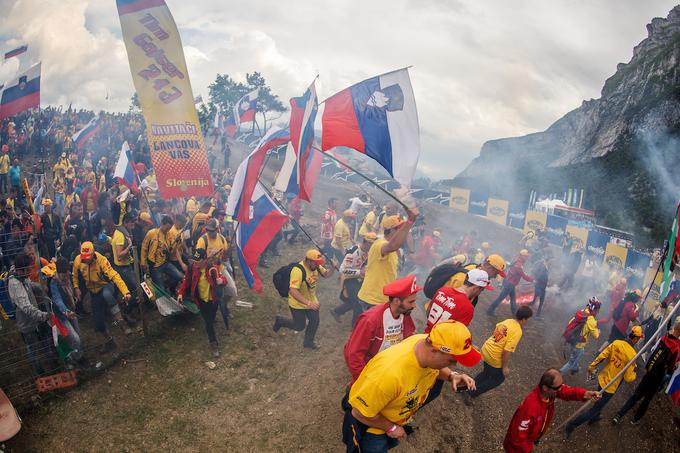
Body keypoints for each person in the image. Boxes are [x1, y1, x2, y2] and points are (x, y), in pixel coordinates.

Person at [343, 320, 478, 452]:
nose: (453, 365)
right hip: (372, 426)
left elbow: (435, 369)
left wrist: (452, 376)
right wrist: (391, 428)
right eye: (452, 361)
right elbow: (359, 412)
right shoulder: (388, 374)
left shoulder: (426, 342)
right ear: (434, 351)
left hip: (395, 414)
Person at [565, 326, 643, 436]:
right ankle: (572, 425)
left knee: (598, 401)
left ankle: (595, 418)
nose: (639, 340)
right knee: (595, 408)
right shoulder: (632, 355)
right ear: (636, 339)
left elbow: (602, 355)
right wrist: (634, 374)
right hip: (610, 387)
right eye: (639, 338)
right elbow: (628, 377)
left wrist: (592, 366)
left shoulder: (617, 343)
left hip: (603, 379)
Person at [343, 275, 419, 384]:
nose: (414, 305)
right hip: (371, 369)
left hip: (388, 367)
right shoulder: (371, 320)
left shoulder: (405, 315)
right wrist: (363, 381)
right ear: (397, 301)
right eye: (411, 302)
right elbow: (354, 354)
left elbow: (408, 338)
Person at [503, 369, 600, 453]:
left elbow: (566, 391)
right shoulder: (529, 408)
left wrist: (585, 394)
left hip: (530, 440)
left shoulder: (549, 393)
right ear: (545, 388)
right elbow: (517, 439)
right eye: (558, 387)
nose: (561, 388)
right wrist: (528, 449)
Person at [613, 320, 680, 425]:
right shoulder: (676, 347)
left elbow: (653, 350)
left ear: (675, 328)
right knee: (647, 400)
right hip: (658, 377)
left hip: (650, 371)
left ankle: (619, 415)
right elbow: (671, 369)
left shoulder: (664, 338)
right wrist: (675, 366)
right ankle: (635, 419)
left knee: (637, 394)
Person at [465, 305, 533, 404]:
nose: (527, 322)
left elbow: (496, 331)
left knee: (487, 373)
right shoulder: (518, 331)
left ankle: (467, 386)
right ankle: (471, 393)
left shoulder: (508, 321)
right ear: (523, 319)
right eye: (528, 319)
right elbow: (506, 351)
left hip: (486, 349)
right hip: (493, 356)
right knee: (498, 379)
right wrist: (504, 367)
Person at [72, 241, 132, 352]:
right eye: (84, 257)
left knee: (107, 295)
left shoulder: (101, 260)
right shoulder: (77, 260)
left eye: (88, 257)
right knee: (98, 323)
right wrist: (76, 288)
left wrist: (125, 292)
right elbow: (74, 275)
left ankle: (121, 321)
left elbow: (114, 276)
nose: (86, 260)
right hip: (92, 292)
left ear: (93, 253)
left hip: (105, 286)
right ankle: (109, 341)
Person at [8, 253, 59, 375]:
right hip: (27, 322)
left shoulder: (22, 276)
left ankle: (53, 365)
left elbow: (29, 284)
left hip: (36, 318)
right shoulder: (15, 284)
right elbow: (26, 307)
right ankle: (39, 372)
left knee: (45, 340)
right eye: (28, 269)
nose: (30, 271)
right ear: (21, 270)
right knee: (33, 348)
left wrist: (40, 287)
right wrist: (44, 315)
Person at [272, 250, 334, 349]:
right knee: (299, 326)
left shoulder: (316, 266)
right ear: (309, 261)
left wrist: (332, 267)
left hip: (311, 300)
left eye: (319, 263)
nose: (318, 265)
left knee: (315, 321)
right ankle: (280, 320)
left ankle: (308, 342)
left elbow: (326, 274)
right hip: (297, 303)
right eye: (316, 263)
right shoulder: (298, 271)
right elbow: (293, 291)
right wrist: (308, 303)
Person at [357, 211, 416, 312]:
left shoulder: (395, 249)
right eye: (399, 228)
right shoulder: (380, 244)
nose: (402, 231)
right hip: (373, 298)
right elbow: (393, 245)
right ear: (391, 231)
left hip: (381, 298)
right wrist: (409, 222)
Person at [177, 248, 225, 357]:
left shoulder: (213, 269)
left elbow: (222, 279)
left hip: (213, 300)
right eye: (194, 261)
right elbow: (186, 281)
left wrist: (222, 281)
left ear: (204, 260)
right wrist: (181, 293)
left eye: (197, 261)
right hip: (201, 300)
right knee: (208, 322)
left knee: (211, 318)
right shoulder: (192, 268)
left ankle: (210, 326)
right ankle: (213, 343)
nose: (194, 263)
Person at [425, 268, 494, 332]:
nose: (479, 293)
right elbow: (457, 334)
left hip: (425, 333)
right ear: (476, 288)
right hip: (439, 343)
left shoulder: (443, 290)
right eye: (482, 290)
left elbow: (428, 311)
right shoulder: (467, 308)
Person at [331, 232, 376, 326]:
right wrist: (359, 272)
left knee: (355, 300)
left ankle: (337, 311)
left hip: (358, 278)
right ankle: (355, 326)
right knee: (358, 302)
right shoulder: (353, 252)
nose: (373, 246)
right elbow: (342, 270)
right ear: (366, 242)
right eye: (371, 243)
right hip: (348, 278)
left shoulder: (368, 251)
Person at [195, 218, 231, 329]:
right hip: (207, 272)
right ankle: (212, 315)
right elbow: (198, 262)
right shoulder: (202, 240)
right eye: (208, 230)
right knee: (210, 298)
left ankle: (223, 306)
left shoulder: (222, 239)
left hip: (220, 269)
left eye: (212, 230)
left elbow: (225, 258)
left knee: (232, 290)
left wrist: (226, 253)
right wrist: (208, 261)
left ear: (217, 229)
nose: (209, 232)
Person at [141, 215, 183, 294]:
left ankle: (167, 286)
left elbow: (172, 250)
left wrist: (177, 242)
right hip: (155, 266)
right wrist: (143, 262)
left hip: (165, 263)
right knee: (161, 291)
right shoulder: (152, 233)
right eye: (167, 228)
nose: (168, 230)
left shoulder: (169, 234)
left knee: (179, 276)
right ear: (162, 224)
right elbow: (144, 247)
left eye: (169, 228)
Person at [559, 297, 601, 375]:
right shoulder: (591, 320)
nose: (598, 312)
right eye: (598, 310)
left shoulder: (583, 311)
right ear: (595, 310)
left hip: (572, 339)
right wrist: (598, 331)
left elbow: (571, 321)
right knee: (572, 361)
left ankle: (575, 368)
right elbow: (596, 336)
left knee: (575, 356)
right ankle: (559, 374)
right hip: (579, 345)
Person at [111, 212, 139, 324]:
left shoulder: (123, 231)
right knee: (136, 290)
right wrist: (129, 247)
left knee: (127, 291)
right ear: (126, 222)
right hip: (122, 268)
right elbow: (119, 254)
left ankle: (128, 308)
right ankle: (127, 312)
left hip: (125, 266)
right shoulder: (120, 235)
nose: (134, 224)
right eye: (132, 222)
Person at [487, 250, 534, 316]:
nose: (527, 258)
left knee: (513, 299)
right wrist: (533, 280)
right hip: (510, 284)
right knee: (500, 298)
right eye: (526, 256)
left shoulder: (517, 261)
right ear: (522, 256)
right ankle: (490, 310)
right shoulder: (519, 265)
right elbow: (524, 276)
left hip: (510, 283)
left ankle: (515, 313)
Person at [529, 253, 550, 318]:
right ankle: (537, 315)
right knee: (541, 301)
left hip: (539, 285)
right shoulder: (543, 267)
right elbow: (541, 276)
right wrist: (544, 281)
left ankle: (532, 302)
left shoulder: (543, 266)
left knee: (536, 294)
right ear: (547, 261)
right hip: (541, 286)